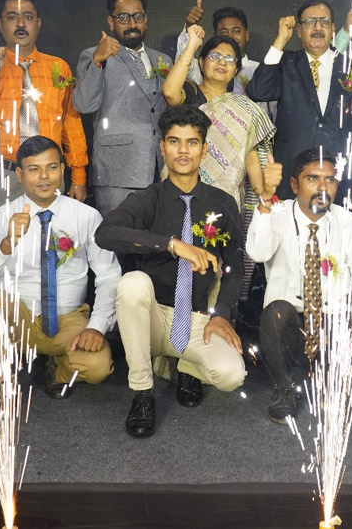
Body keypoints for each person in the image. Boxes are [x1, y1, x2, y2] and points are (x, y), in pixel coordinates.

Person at [96, 106, 245, 437]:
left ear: (204, 149)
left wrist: (222, 314)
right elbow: (105, 234)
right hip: (151, 318)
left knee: (231, 375)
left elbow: (235, 266)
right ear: (162, 147)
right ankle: (142, 392)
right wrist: (172, 245)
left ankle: (187, 366)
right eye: (175, 142)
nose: (183, 151)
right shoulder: (148, 199)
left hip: (196, 318)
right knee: (133, 283)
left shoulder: (223, 203)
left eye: (192, 142)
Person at [0, 136, 122, 399]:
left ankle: (58, 369)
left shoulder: (86, 216)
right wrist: (7, 244)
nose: (44, 177)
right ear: (19, 175)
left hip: (67, 320)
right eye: (34, 169)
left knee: (97, 367)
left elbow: (109, 274)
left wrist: (97, 326)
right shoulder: (0, 216)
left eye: (51, 167)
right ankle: (1, 378)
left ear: (62, 170)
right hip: (18, 317)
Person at [246, 148, 352, 424]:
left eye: (330, 180)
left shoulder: (348, 223)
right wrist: (265, 199)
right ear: (294, 185)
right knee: (276, 312)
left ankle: (314, 373)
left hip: (332, 322)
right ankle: (285, 387)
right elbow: (257, 252)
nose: (322, 187)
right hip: (289, 324)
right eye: (312, 179)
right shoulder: (276, 213)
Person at [0, 0, 88, 214]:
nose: (20, 24)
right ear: (0, 25)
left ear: (38, 24)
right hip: (2, 174)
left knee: (49, 234)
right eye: (12, 17)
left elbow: (71, 124)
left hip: (48, 174)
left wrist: (79, 176)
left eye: (28, 17)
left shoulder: (58, 67)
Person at [247, 0, 352, 203]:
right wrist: (280, 41)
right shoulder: (285, 62)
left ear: (333, 28)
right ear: (299, 30)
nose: (317, 28)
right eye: (310, 22)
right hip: (291, 174)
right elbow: (258, 91)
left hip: (339, 178)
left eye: (324, 21)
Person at [74, 0, 173, 215]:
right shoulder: (94, 55)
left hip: (161, 168)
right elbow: (83, 104)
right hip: (116, 172)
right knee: (118, 235)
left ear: (146, 20)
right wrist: (98, 60)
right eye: (123, 18)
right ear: (111, 22)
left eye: (138, 17)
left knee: (155, 236)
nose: (131, 24)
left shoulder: (164, 60)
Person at [162, 26, 275, 211]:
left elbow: (250, 155)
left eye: (230, 59)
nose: (222, 62)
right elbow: (169, 92)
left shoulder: (244, 108)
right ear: (201, 62)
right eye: (215, 56)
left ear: (236, 69)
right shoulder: (190, 92)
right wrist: (192, 45)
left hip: (226, 198)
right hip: (182, 191)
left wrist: (260, 191)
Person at [174, 1, 268, 115]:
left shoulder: (259, 71)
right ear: (215, 36)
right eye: (223, 32)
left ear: (246, 35)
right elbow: (182, 67)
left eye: (236, 31)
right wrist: (190, 29)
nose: (230, 36)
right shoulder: (206, 67)